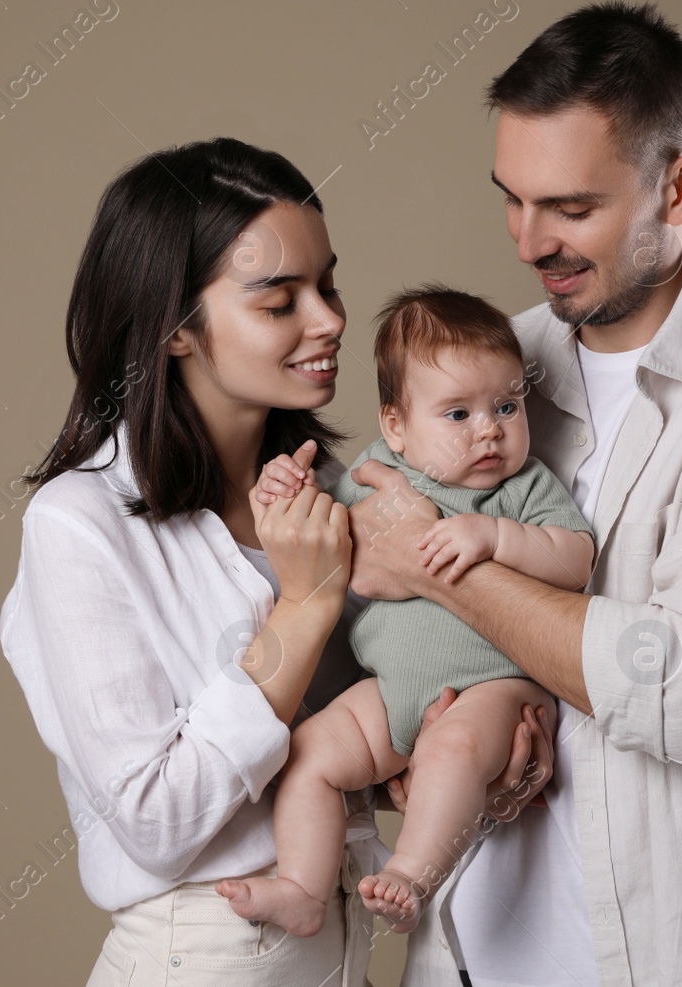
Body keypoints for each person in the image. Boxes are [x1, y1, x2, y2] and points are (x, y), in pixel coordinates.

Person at [340, 3, 682, 986]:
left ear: (678, 187)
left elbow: (680, 691)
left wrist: (440, 566)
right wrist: (413, 751)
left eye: (568, 207)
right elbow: (377, 611)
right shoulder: (495, 366)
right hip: (471, 954)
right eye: (509, 199)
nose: (525, 240)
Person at [0, 138, 551, 987]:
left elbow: (373, 730)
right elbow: (158, 817)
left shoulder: (340, 494)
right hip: (206, 957)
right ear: (176, 330)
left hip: (342, 952)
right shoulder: (77, 525)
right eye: (278, 299)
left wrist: (484, 748)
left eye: (326, 283)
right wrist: (303, 605)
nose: (329, 319)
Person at [221, 286, 593, 937]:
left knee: (451, 749)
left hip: (494, 686)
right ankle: (304, 885)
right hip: (392, 692)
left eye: (508, 405)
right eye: (458, 413)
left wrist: (495, 539)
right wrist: (286, 491)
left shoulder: (522, 485)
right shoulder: (371, 469)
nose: (490, 429)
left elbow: (576, 558)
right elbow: (323, 538)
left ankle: (413, 873)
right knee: (307, 754)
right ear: (396, 425)